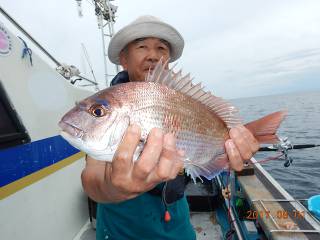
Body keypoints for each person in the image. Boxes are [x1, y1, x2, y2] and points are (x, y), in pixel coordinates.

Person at [81, 15, 260, 240]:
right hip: (121, 223)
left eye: (161, 48)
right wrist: (114, 188)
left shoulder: (181, 98)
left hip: (174, 212)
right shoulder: (110, 106)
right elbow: (92, 177)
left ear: (168, 60)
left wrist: (234, 143)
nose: (153, 55)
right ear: (123, 59)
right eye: (142, 46)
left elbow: (209, 143)